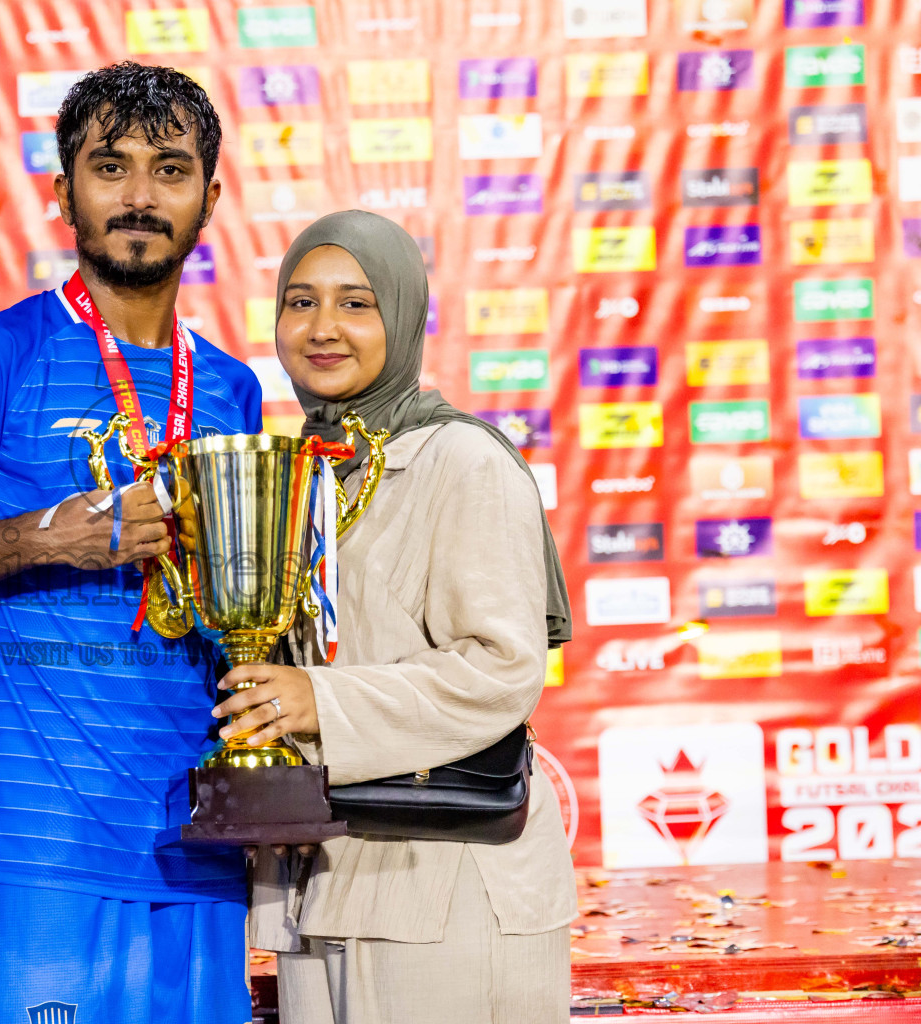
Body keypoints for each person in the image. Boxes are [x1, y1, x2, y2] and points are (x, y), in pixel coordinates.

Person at [0, 63, 261, 1024]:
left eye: (169, 169)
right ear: (63, 191)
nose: (138, 196)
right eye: (109, 167)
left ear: (210, 194)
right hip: (46, 839)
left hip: (200, 832)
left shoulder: (234, 389)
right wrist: (44, 540)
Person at [212, 210, 578, 1023]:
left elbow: (501, 667)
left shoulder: (462, 459)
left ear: (405, 316)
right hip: (329, 881)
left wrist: (319, 702)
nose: (322, 328)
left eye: (356, 303)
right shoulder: (305, 473)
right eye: (300, 302)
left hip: (449, 890)